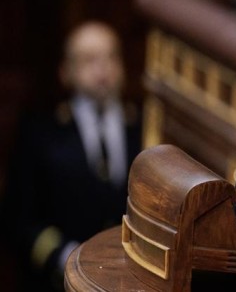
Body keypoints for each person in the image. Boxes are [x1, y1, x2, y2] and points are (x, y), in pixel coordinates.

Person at [1, 21, 142, 291]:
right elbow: (18, 217)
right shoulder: (41, 133)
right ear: (66, 72)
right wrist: (65, 256)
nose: (103, 68)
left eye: (111, 57)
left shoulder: (144, 127)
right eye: (89, 59)